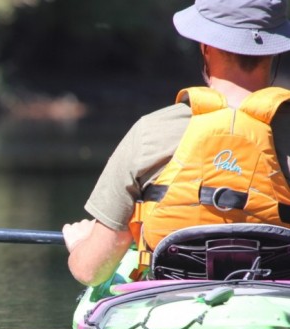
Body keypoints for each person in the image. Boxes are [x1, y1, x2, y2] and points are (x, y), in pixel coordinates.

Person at [63, 0, 290, 286]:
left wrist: (80, 244)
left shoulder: (150, 132)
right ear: (274, 49)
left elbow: (91, 271)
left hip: (169, 299)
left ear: (205, 46)